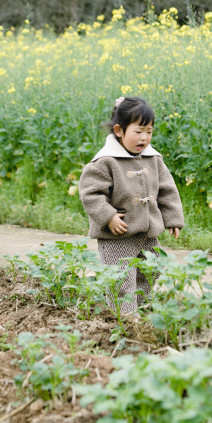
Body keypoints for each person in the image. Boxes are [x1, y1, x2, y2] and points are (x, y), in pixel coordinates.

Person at [79, 96, 184, 317]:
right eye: (138, 131)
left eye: (149, 131)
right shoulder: (106, 161)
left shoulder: (153, 159)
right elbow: (91, 193)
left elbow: (167, 189)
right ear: (119, 130)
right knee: (121, 277)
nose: (144, 138)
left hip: (148, 232)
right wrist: (108, 216)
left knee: (150, 271)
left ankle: (142, 309)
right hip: (118, 234)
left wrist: (172, 217)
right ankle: (125, 318)